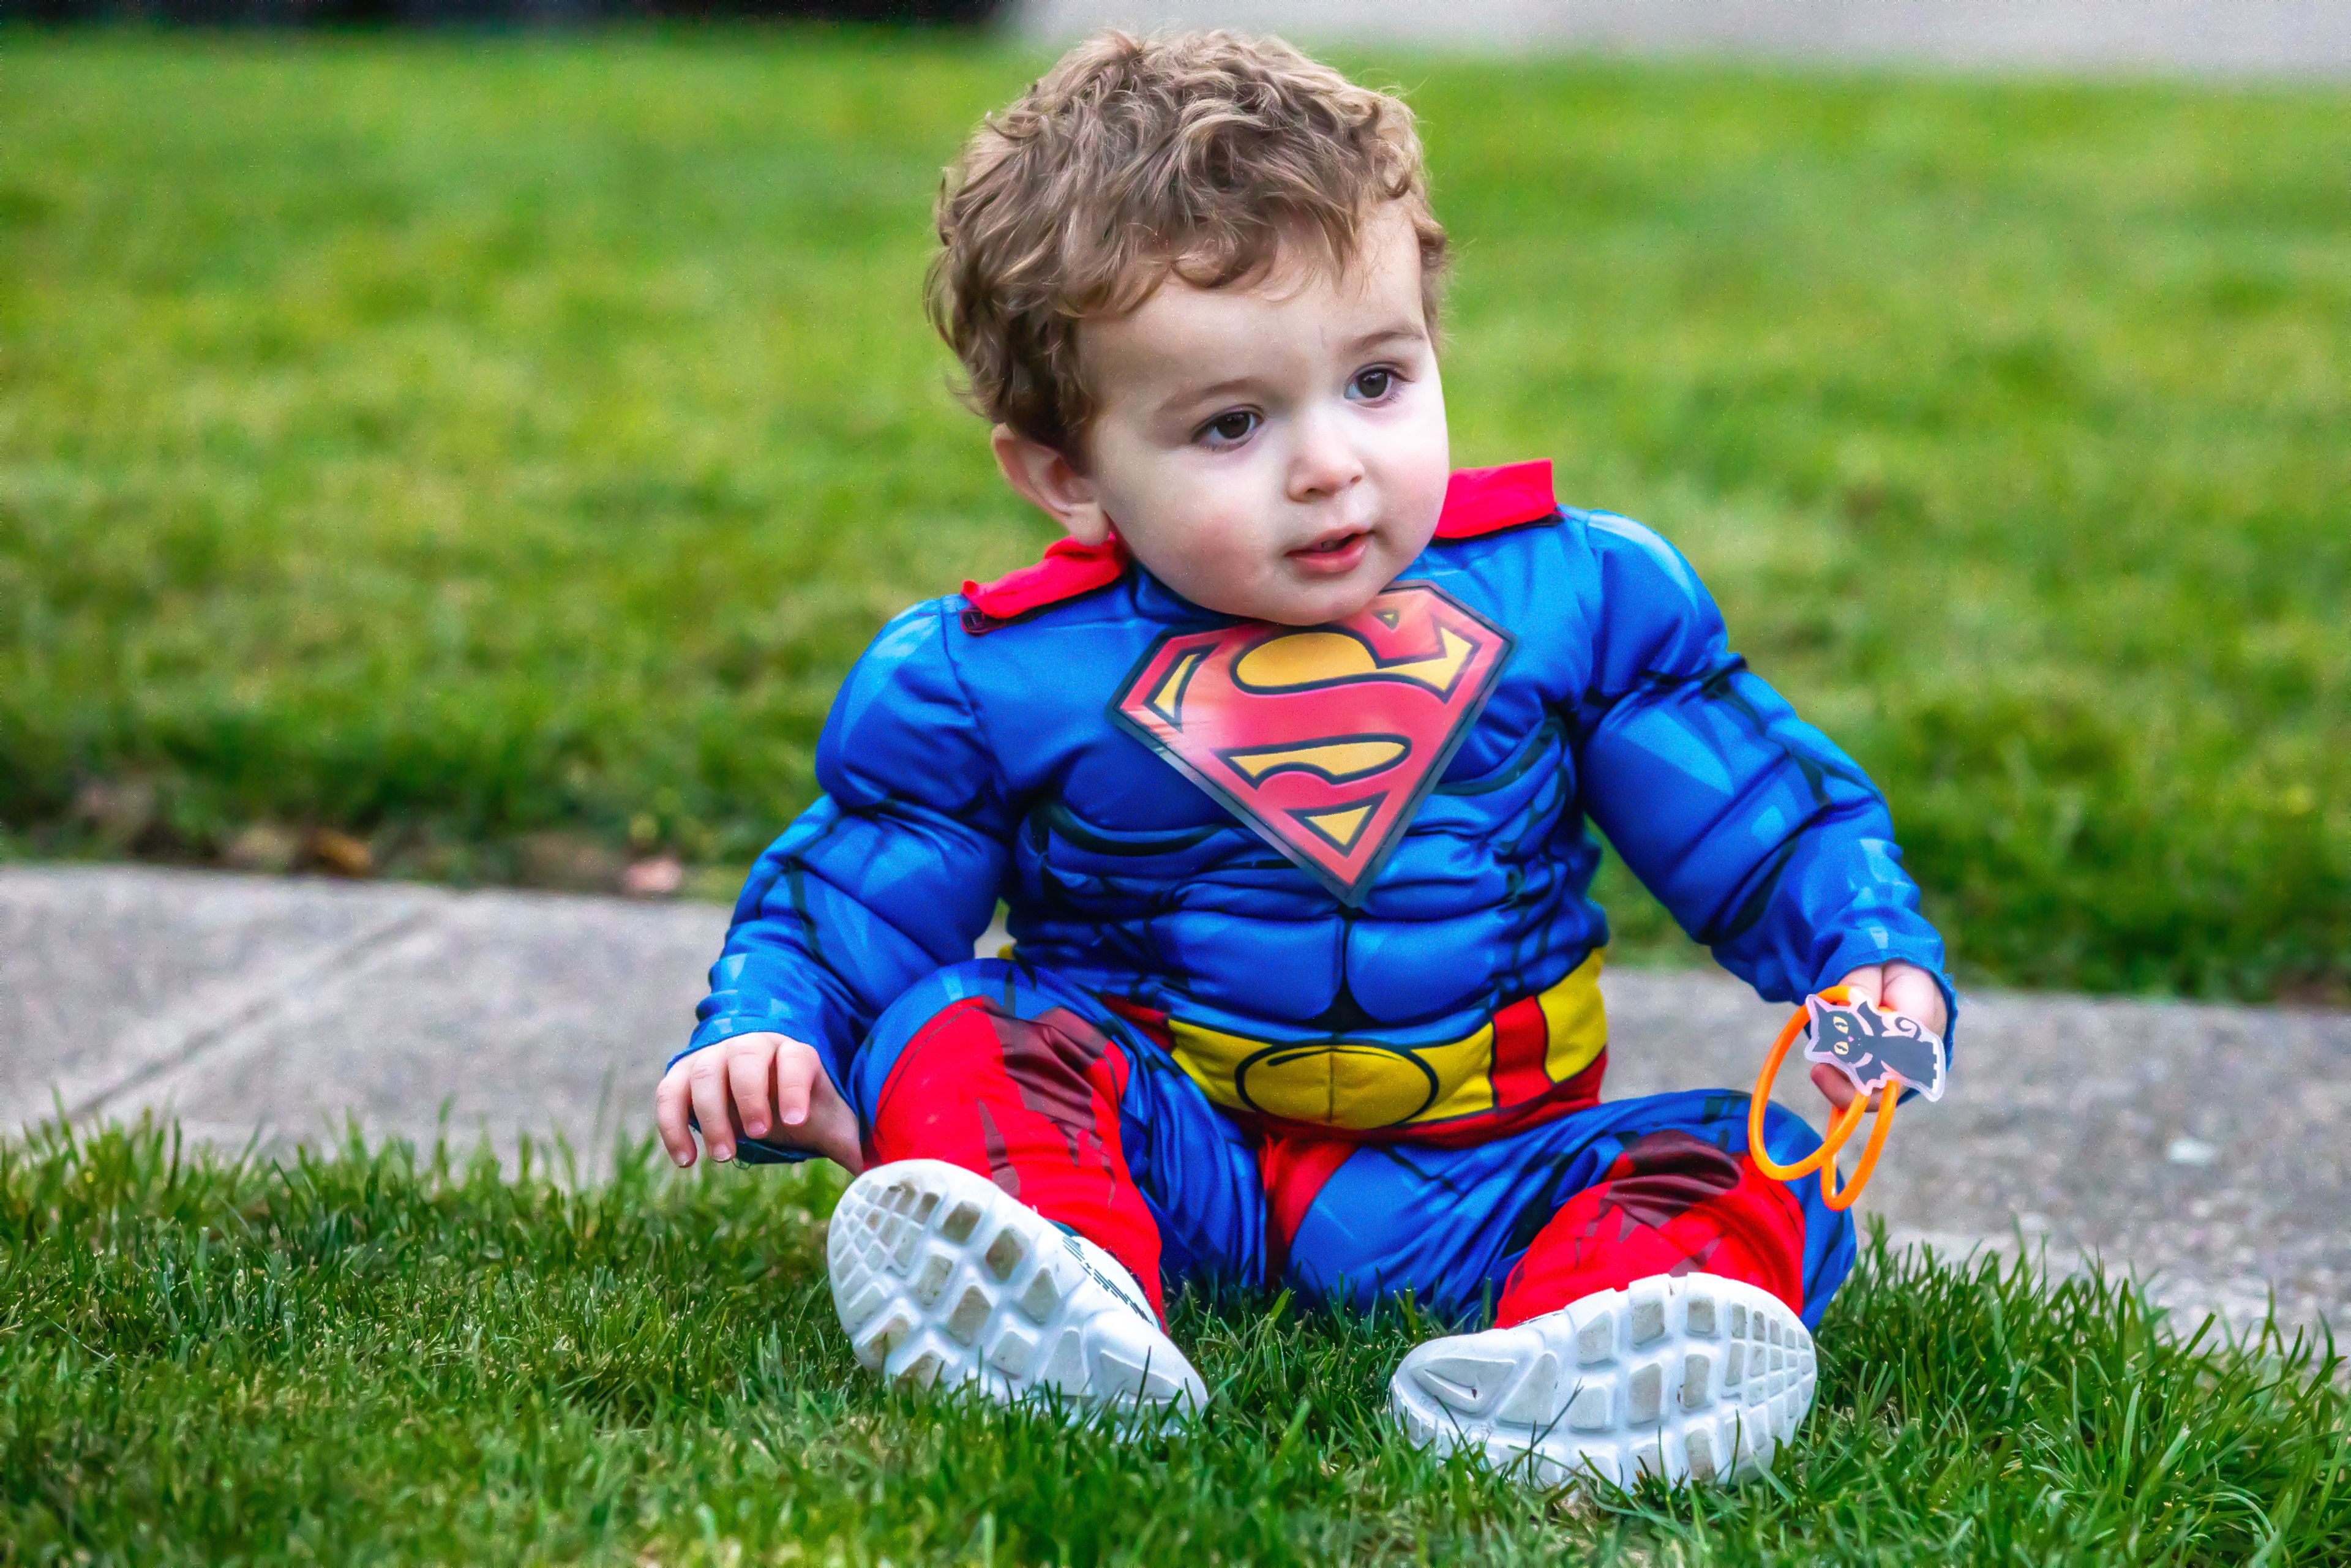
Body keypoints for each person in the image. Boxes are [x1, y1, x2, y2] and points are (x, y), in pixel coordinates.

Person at [654, 29, 1954, 1493]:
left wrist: (1870, 960)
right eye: (1231, 423)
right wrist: (771, 1033)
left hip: (1490, 1170)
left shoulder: (1572, 600)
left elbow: (1760, 815)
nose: (1328, 464)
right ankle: (1051, 1288)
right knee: (959, 1027)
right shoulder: (993, 679)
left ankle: (1591, 1351)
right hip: (1160, 1149)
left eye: (1380, 383)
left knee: (1753, 1159)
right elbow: (857, 891)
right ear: (1066, 473)